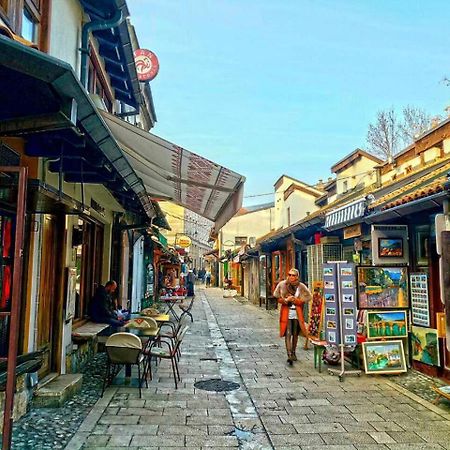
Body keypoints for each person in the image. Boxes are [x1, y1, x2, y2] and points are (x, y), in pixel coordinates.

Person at [273, 268, 312, 365]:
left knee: (295, 333)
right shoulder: (282, 285)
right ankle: (289, 354)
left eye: (293, 275)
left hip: (297, 313)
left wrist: (296, 300)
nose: (291, 277)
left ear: (297, 276)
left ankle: (294, 352)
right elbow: (276, 296)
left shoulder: (301, 286)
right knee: (288, 333)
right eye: (289, 274)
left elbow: (308, 297)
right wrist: (286, 300)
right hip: (287, 312)